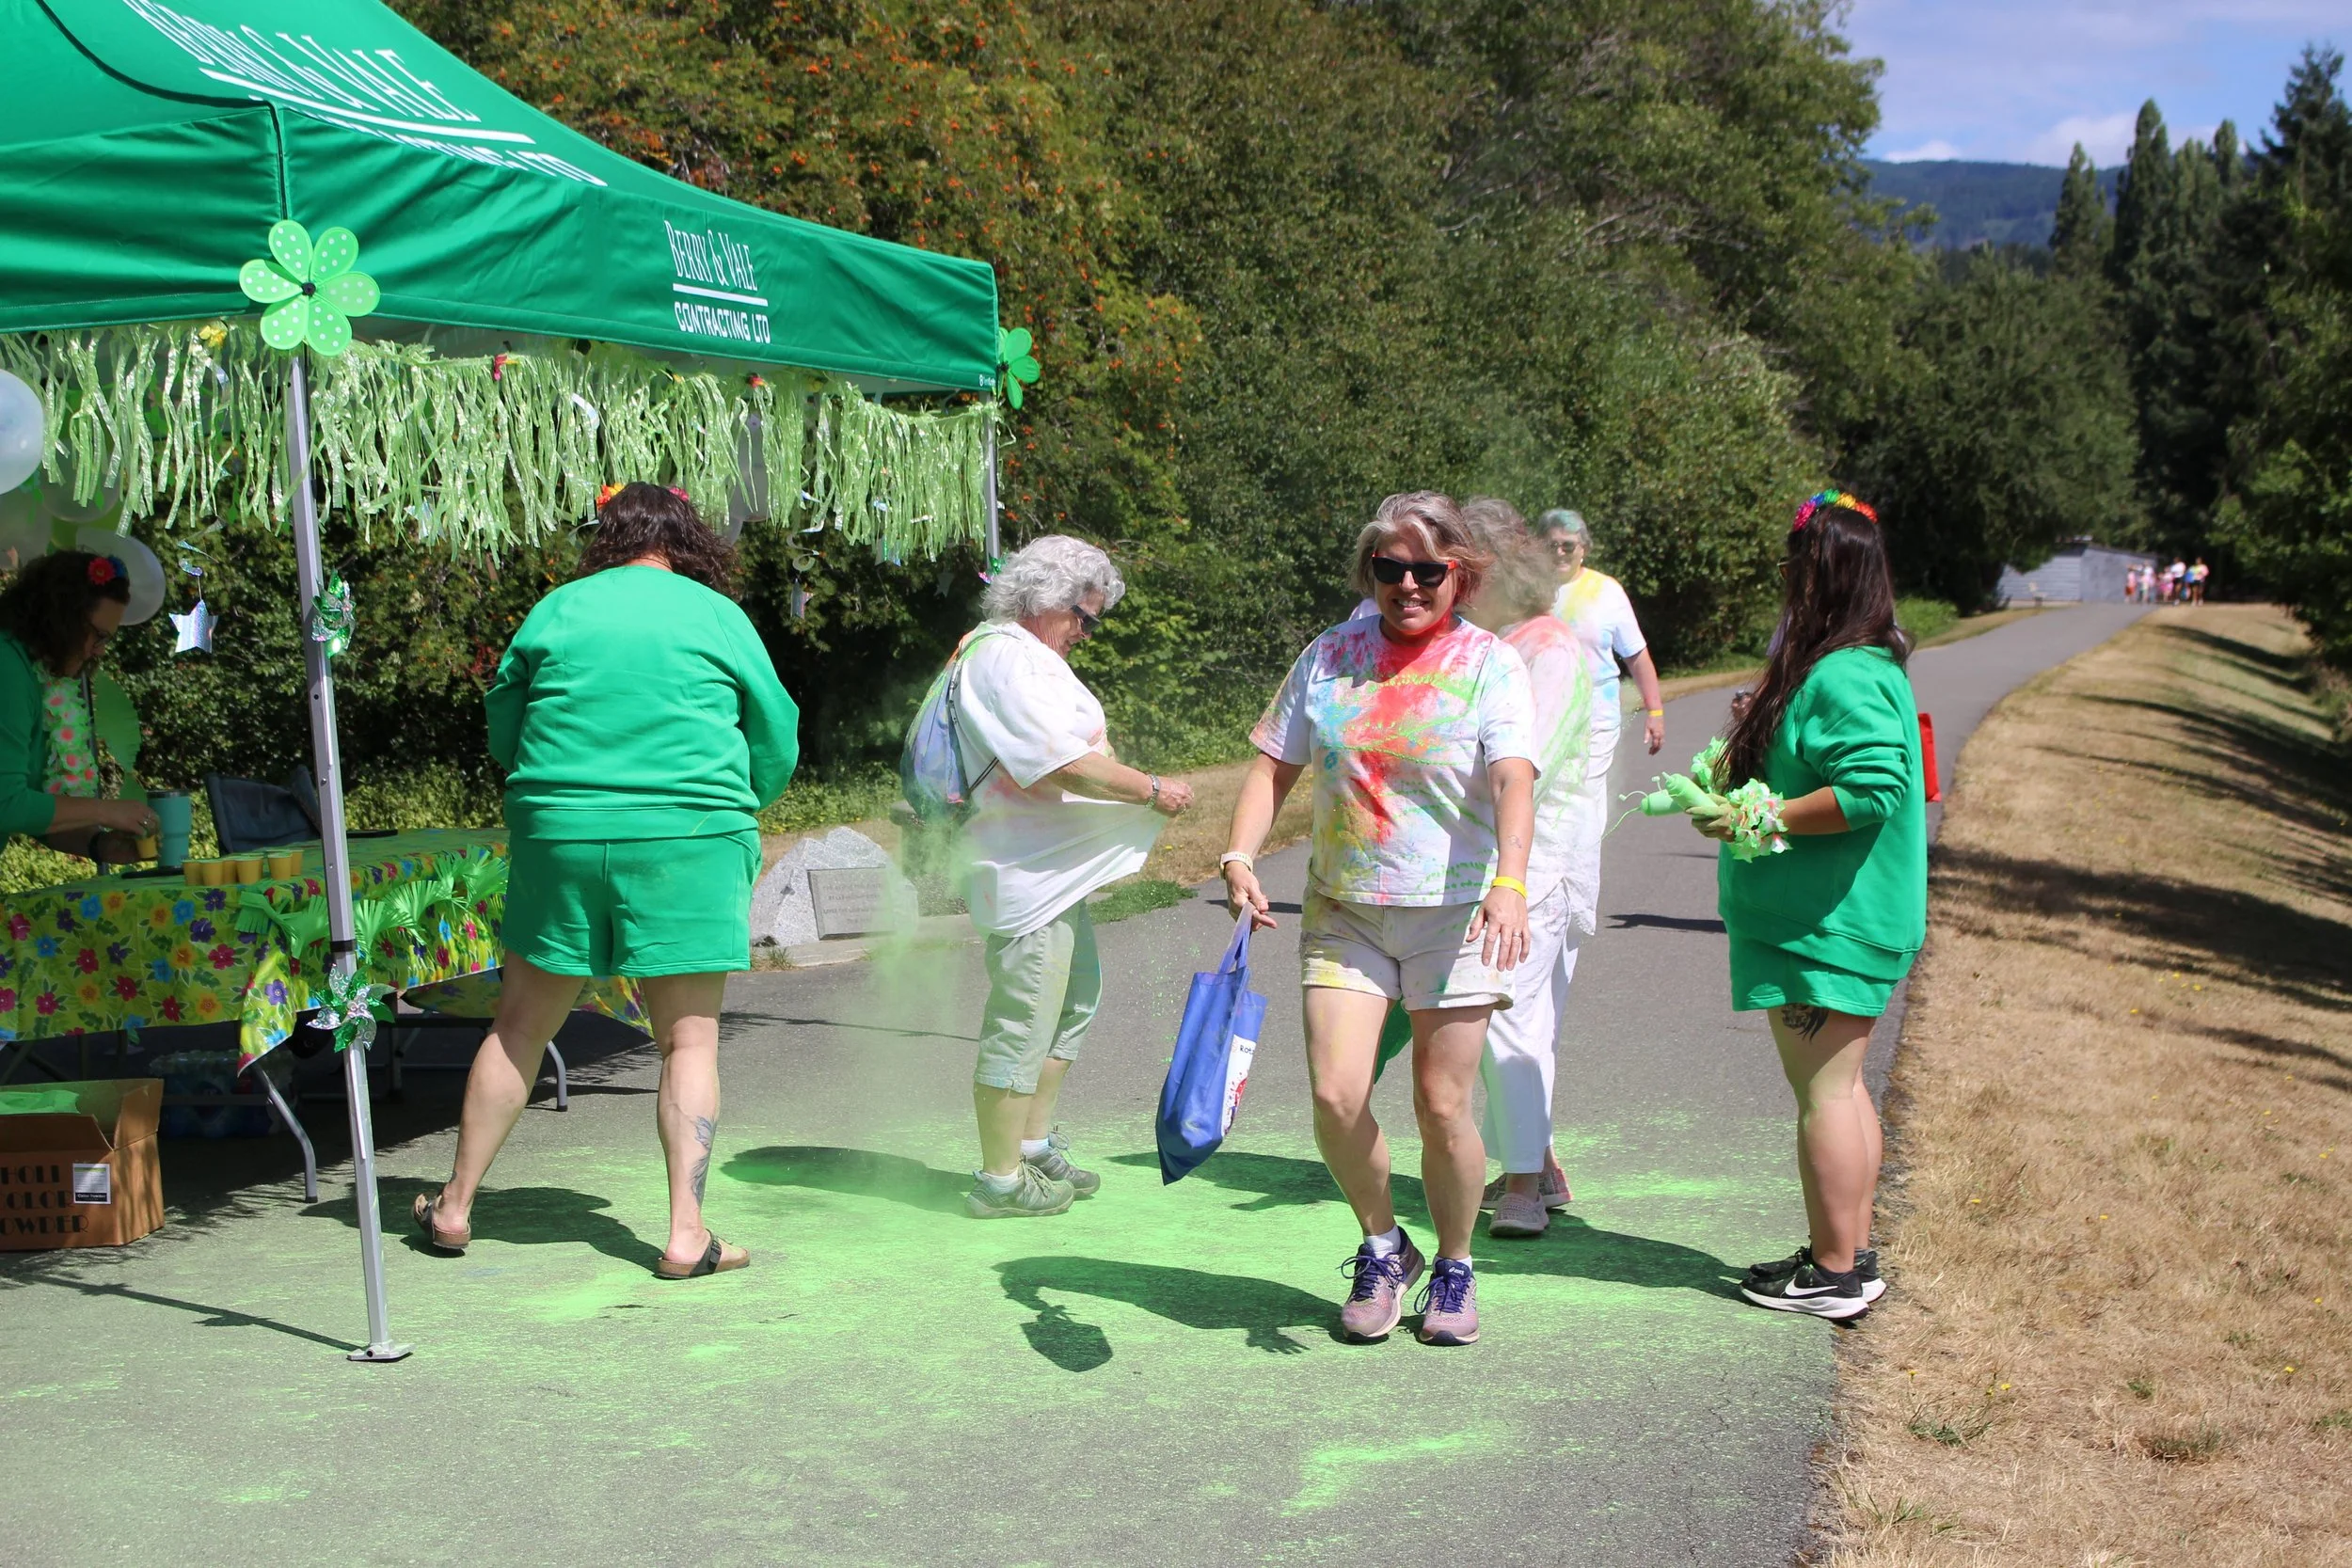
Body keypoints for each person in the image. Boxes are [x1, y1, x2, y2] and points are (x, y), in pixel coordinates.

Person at [417, 483, 800, 1279]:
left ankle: (454, 1206)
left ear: (607, 535)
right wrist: (733, 802)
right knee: (687, 1039)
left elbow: (504, 724)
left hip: (560, 830)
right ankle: (686, 1233)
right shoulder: (716, 615)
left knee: (519, 1026)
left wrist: (563, 790)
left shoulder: (557, 608)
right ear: (684, 537)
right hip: (688, 837)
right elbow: (777, 732)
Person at [1223, 492, 1537, 1347]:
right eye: (1390, 568)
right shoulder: (1330, 657)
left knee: (1442, 1104)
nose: (1407, 584)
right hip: (1345, 910)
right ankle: (1382, 1242)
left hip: (1458, 913)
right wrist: (1239, 856)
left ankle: (1457, 1261)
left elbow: (1515, 778)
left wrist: (1512, 881)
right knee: (1335, 1093)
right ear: (1371, 571)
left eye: (1427, 571)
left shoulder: (1488, 664)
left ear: (1459, 576)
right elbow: (1269, 770)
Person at [1705, 490, 1924, 1321]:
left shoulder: (1843, 672)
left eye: (1795, 564)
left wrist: (1756, 816)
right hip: (1827, 920)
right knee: (1843, 1088)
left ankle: (1834, 1272)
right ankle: (1849, 1253)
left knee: (1826, 1094)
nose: (1787, 578)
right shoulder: (1862, 663)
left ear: (1818, 573)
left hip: (1825, 925)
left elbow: (1873, 786)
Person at [953, 535, 1191, 1218]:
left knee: (1071, 1005)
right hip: (1021, 873)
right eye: (1083, 616)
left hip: (1050, 872)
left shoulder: (1023, 653)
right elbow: (1055, 761)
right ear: (1044, 600)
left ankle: (1031, 1144)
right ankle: (998, 1180)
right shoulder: (1001, 653)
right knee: (1025, 1020)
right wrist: (1148, 788)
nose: (1087, 631)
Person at [1456, 500, 1594, 1240]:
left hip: (1535, 865)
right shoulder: (1503, 641)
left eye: (1465, 571)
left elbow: (1520, 765)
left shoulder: (1549, 647)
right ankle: (1536, 1163)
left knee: (1510, 1020)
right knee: (1503, 1019)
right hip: (1503, 861)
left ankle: (1520, 1188)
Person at [0, 551, 159, 860]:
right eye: (97, 636)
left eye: (106, 641)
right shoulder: (6, 668)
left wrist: (100, 845)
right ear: (62, 616)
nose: (99, 652)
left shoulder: (32, 672)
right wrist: (104, 811)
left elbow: (30, 807)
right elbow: (6, 804)